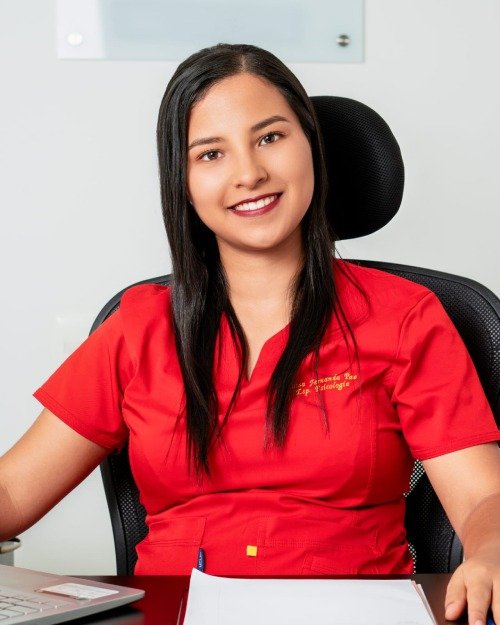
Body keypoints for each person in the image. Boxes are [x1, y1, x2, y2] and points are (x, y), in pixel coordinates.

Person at [1, 43, 499, 624]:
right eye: (211, 153)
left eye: (270, 137)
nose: (248, 173)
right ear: (182, 180)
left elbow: (483, 497)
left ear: (311, 146)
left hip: (356, 612)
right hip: (177, 612)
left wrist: (491, 551)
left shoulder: (406, 316)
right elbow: (12, 493)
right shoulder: (136, 328)